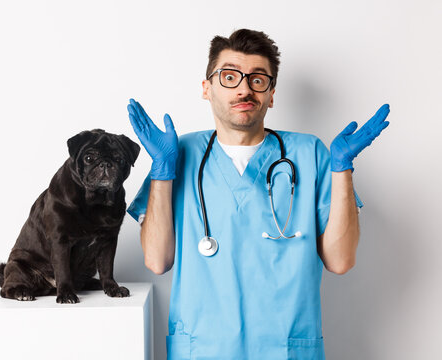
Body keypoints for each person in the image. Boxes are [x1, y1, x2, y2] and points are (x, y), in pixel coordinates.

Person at [126, 29, 390, 360]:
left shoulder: (311, 154)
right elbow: (156, 260)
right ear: (207, 88)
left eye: (258, 79)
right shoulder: (177, 154)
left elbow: (340, 261)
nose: (244, 89)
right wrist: (163, 171)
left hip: (285, 348)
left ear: (271, 94)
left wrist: (342, 170)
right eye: (230, 76)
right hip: (203, 349)